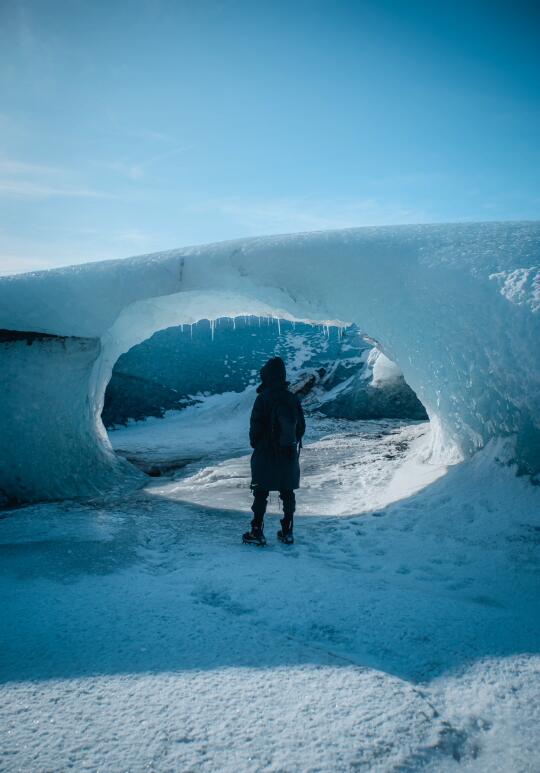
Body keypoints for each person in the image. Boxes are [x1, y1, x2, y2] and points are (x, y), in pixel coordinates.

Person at [243, 356, 306, 546]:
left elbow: (255, 428)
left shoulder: (263, 399)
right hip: (288, 452)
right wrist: (290, 442)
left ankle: (257, 532)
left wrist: (258, 445)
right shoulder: (291, 398)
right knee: (287, 492)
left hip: (265, 453)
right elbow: (301, 426)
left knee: (260, 492)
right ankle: (287, 532)